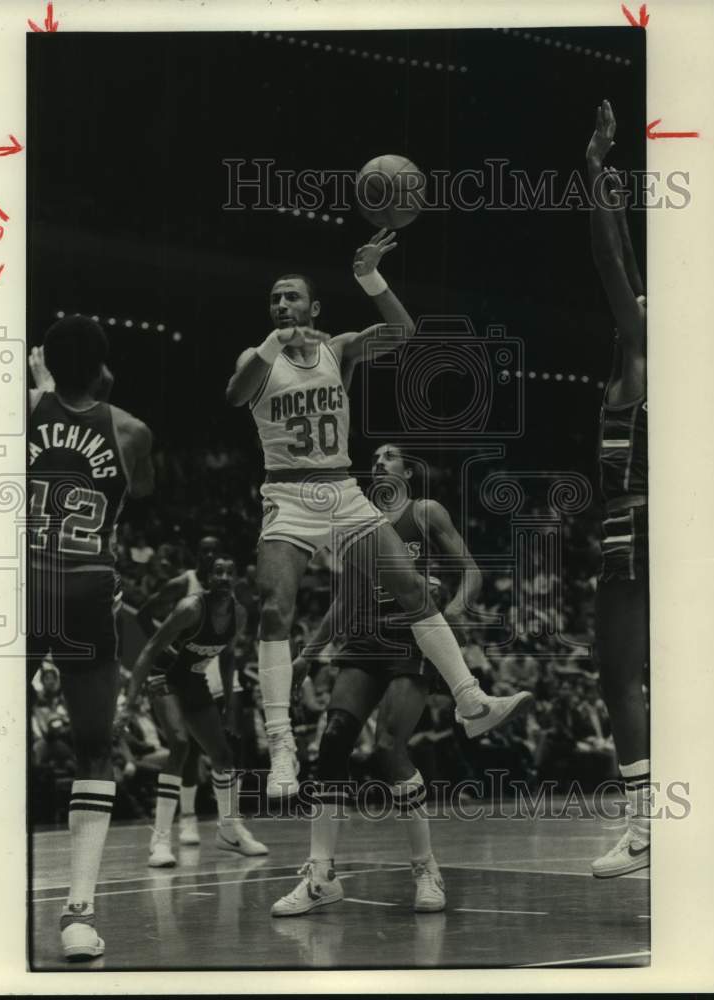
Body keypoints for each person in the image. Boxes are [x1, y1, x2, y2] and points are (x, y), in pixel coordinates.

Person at [225, 230, 532, 798]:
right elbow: (236, 395)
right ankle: (282, 747)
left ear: (314, 308)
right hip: (287, 497)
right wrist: (272, 340)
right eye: (274, 299)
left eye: (292, 298)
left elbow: (403, 333)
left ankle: (470, 698)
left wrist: (371, 277)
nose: (282, 305)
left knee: (412, 589)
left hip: (341, 490)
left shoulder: (336, 348)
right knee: (274, 609)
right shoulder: (259, 356)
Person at [271, 443, 486, 916]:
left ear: (408, 469)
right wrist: (308, 654)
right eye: (376, 456)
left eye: (389, 456)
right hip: (365, 642)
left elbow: (471, 572)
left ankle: (425, 868)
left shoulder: (424, 512)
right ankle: (321, 874)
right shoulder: (356, 518)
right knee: (332, 742)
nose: (379, 461)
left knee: (390, 746)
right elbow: (345, 598)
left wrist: (451, 611)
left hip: (412, 640)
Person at [27, 316, 155, 960]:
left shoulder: (19, 407)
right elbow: (146, 489)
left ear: (46, 358)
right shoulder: (130, 429)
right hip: (85, 590)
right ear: (103, 367)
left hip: (20, 586)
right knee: (94, 750)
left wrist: (41, 389)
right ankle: (78, 913)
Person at [585, 100, 650, 876]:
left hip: (636, 523)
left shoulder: (638, 354)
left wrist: (596, 173)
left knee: (618, 674)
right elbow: (628, 266)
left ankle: (644, 828)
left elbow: (610, 264)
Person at [123, 554, 267, 865]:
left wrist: (227, 703)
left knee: (223, 756)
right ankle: (159, 840)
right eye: (218, 572)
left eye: (230, 572)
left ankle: (229, 830)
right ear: (207, 577)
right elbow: (149, 650)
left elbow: (227, 659)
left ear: (237, 578)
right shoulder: (190, 608)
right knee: (179, 744)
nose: (225, 577)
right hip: (164, 678)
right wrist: (130, 702)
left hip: (194, 681)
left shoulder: (238, 614)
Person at [134, 534, 224, 843]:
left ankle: (199, 818)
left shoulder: (224, 590)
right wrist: (165, 647)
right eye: (205, 550)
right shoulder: (182, 584)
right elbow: (144, 613)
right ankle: (184, 820)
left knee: (204, 748)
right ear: (196, 555)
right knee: (183, 746)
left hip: (206, 670)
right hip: (174, 674)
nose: (210, 555)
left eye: (215, 551)